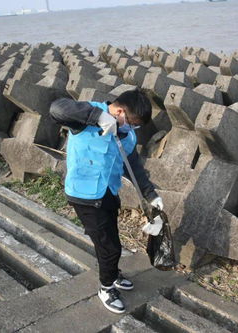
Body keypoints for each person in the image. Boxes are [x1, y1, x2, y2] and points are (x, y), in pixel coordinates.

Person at [50, 89, 163, 314]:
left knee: (109, 236)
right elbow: (57, 108)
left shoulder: (127, 135)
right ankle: (106, 287)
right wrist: (97, 117)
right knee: (110, 247)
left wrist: (152, 195)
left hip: (108, 192)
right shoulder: (87, 118)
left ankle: (112, 272)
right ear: (119, 111)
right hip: (84, 195)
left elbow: (135, 170)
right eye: (131, 123)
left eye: (136, 126)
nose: (132, 128)